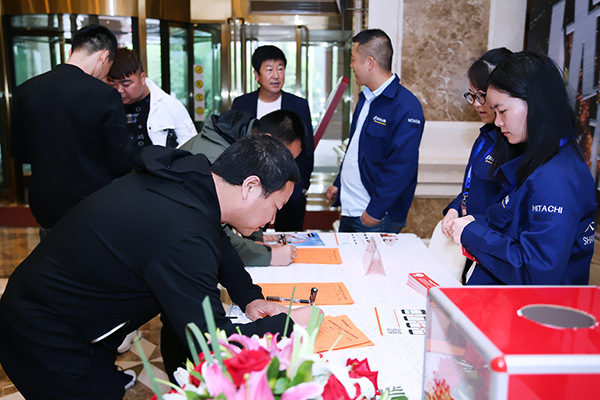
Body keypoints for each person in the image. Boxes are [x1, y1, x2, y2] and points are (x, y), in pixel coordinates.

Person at [0, 135, 316, 399]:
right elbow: (211, 342)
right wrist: (288, 325)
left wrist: (250, 297)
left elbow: (217, 239)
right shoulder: (183, 235)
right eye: (275, 207)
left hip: (64, 312)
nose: (272, 220)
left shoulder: (191, 179)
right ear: (250, 186)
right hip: (45, 335)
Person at [449, 52, 596, 285]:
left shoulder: (554, 177)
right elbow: (514, 224)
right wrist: (476, 221)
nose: (498, 122)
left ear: (535, 104)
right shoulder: (543, 159)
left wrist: (472, 234)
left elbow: (536, 272)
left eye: (502, 111)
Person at [10, 24, 136, 237]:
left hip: (46, 207)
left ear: (72, 51)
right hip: (93, 207)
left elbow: (19, 153)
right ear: (104, 56)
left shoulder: (25, 90)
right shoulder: (105, 95)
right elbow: (121, 160)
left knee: (51, 257)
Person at [326, 29, 425, 233]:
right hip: (350, 210)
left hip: (375, 217)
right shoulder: (365, 98)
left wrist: (374, 212)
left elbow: (401, 167)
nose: (351, 65)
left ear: (370, 63)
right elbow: (356, 147)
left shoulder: (406, 107)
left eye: (353, 59)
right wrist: (339, 183)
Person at [181, 109, 305, 266]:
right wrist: (267, 255)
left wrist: (256, 239)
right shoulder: (214, 161)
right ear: (268, 141)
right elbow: (216, 234)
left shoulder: (242, 146)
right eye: (286, 157)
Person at [440, 48, 513, 283]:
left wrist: (474, 223)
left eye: (482, 95)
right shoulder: (484, 137)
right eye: (472, 95)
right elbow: (471, 188)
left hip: (490, 245)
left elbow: (510, 209)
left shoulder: (514, 143)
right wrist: (454, 209)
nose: (477, 104)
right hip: (470, 240)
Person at [231, 45, 314, 232]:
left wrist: (301, 186)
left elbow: (307, 149)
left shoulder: (299, 105)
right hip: (252, 189)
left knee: (289, 237)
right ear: (256, 74)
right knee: (252, 238)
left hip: (289, 189)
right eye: (269, 69)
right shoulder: (242, 104)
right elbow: (235, 144)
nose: (276, 75)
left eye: (280, 68)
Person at [107, 47, 197, 149]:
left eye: (126, 84)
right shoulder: (105, 106)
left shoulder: (171, 106)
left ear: (142, 78)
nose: (119, 90)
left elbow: (191, 147)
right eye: (112, 84)